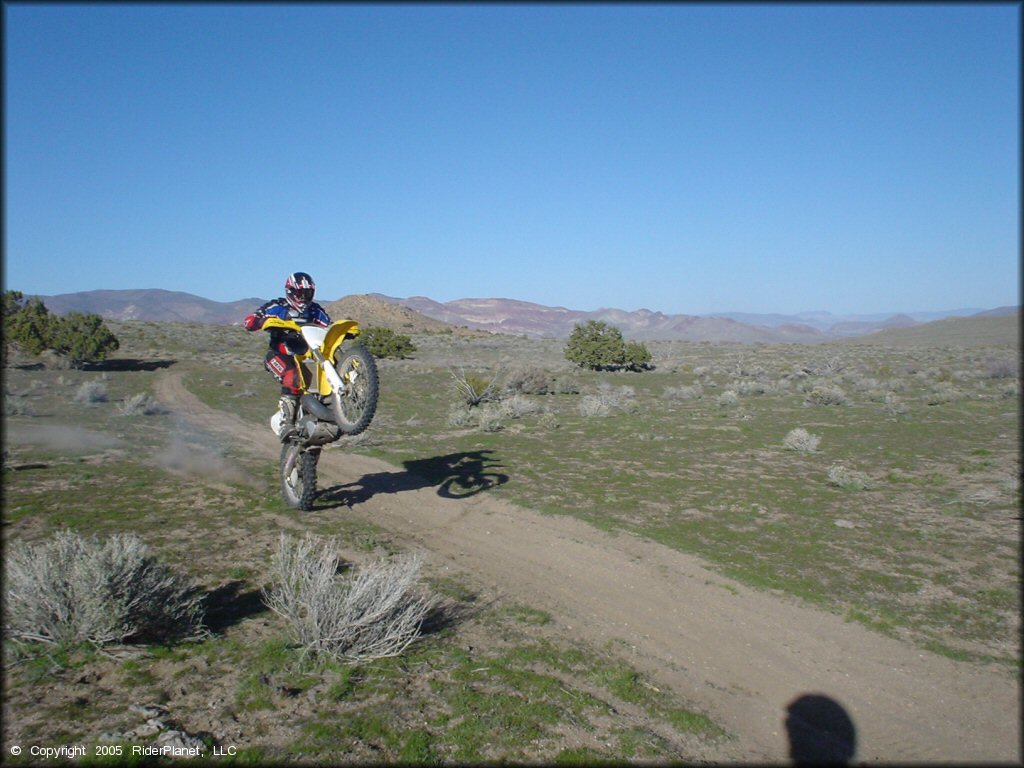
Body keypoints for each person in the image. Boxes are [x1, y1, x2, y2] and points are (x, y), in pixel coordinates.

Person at [244, 272, 331, 436]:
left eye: (307, 293)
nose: (303, 297)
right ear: (290, 292)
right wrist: (265, 321)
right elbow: (249, 321)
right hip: (278, 355)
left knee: (322, 380)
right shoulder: (278, 306)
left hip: (306, 358)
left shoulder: (315, 310)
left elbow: (329, 326)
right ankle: (286, 423)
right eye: (300, 293)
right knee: (292, 376)